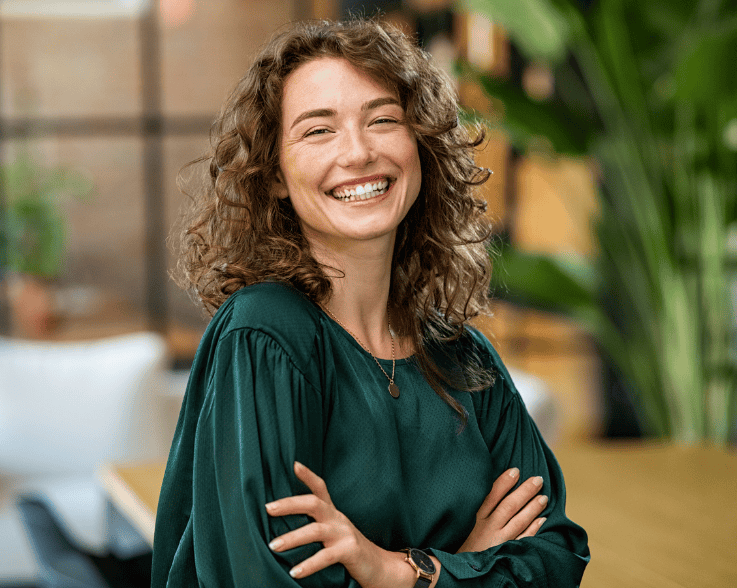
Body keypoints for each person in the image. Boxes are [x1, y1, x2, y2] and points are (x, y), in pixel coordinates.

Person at [152, 18, 589, 588]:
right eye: (318, 131)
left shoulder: (465, 358)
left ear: (420, 147)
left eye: (382, 120)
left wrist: (397, 571)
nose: (358, 152)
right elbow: (270, 578)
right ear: (276, 174)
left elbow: (555, 558)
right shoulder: (265, 335)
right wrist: (468, 563)